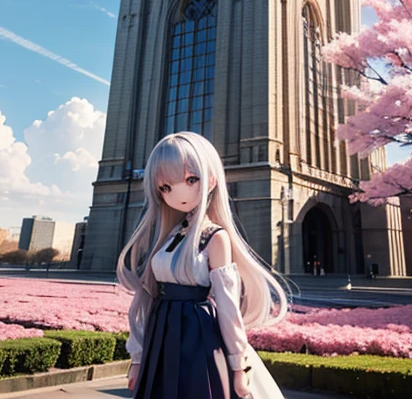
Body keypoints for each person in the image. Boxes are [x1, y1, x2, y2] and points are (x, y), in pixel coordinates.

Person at [117, 131, 288, 399]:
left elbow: (228, 306)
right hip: (161, 333)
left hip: (197, 335)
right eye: (166, 187)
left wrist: (239, 365)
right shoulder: (170, 235)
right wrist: (137, 357)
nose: (179, 193)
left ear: (210, 180)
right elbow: (145, 299)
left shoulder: (215, 237)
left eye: (190, 179)